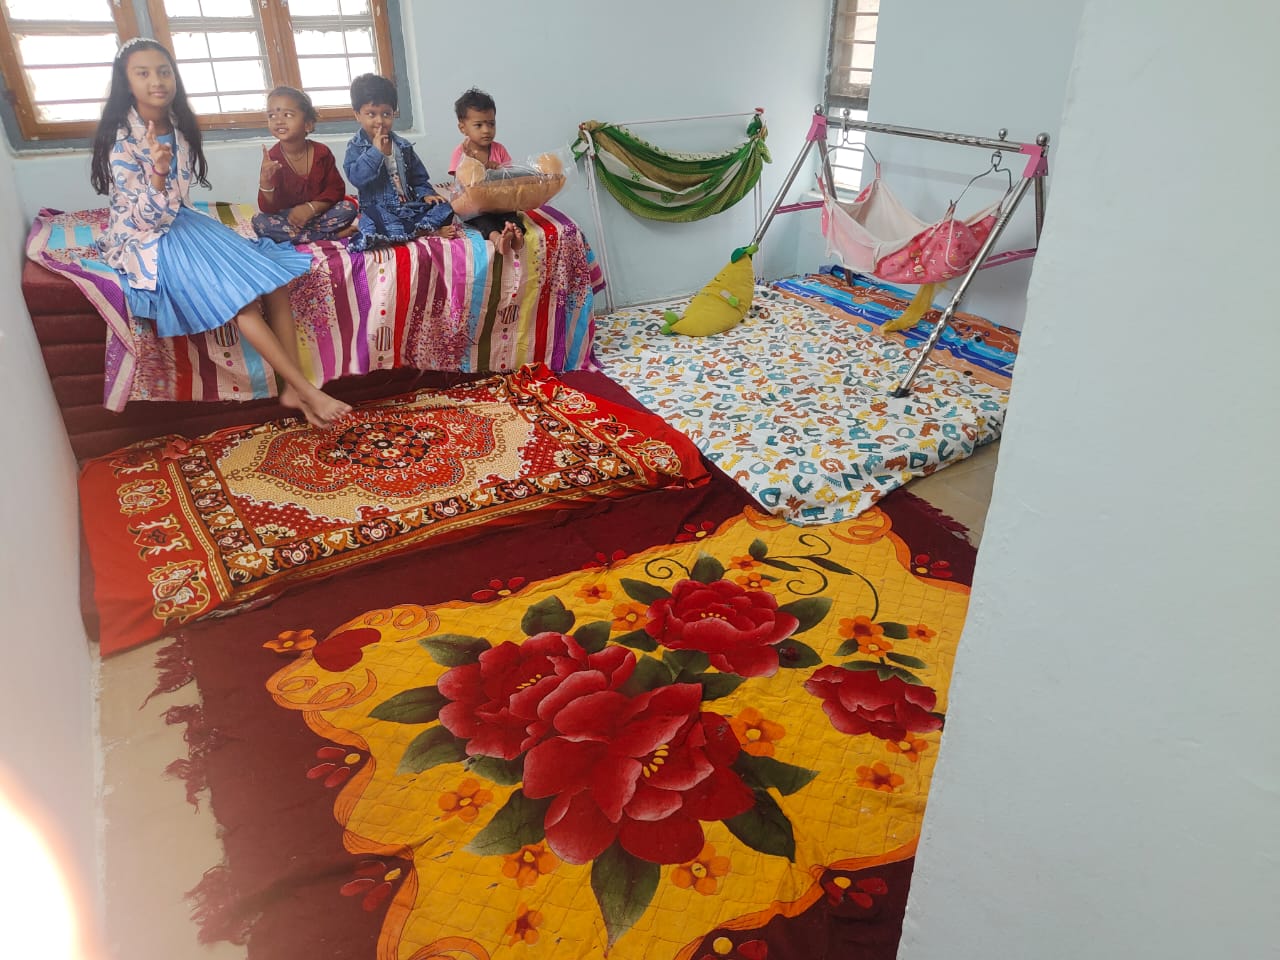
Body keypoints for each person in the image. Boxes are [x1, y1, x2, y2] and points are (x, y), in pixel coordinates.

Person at [90, 38, 350, 428]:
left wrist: (167, 178)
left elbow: (179, 201)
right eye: (143, 73)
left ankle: (292, 388)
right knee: (243, 301)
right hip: (147, 236)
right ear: (127, 82)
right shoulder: (121, 140)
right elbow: (145, 221)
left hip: (183, 221)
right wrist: (158, 174)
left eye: (164, 71)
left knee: (273, 280)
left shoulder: (177, 126)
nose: (157, 81)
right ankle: (307, 391)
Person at [343, 73, 456, 251]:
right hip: (380, 209)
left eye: (386, 114)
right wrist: (375, 152)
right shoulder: (356, 147)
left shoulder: (402, 146)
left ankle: (418, 228)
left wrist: (426, 194)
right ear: (358, 115)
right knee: (372, 223)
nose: (380, 121)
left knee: (444, 207)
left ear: (393, 114)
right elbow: (356, 178)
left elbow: (418, 178)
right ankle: (421, 230)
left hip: (408, 206)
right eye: (371, 114)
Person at [253, 85, 358, 243]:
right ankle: (329, 235)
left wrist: (311, 208)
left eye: (287, 114)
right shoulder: (273, 158)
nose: (278, 121)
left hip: (318, 212)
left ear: (308, 124)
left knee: (348, 208)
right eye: (272, 115)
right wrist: (265, 183)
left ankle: (302, 236)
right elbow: (268, 209)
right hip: (289, 219)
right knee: (259, 222)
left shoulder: (322, 153)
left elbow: (335, 190)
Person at [449, 87, 523, 255]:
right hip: (477, 207)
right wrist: (475, 164)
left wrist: (499, 170)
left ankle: (516, 237)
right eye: (479, 125)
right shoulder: (461, 152)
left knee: (513, 216)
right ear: (462, 128)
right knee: (481, 220)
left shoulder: (499, 149)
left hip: (499, 203)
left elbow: (510, 177)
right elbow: (460, 182)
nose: (486, 130)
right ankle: (497, 239)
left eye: (491, 124)